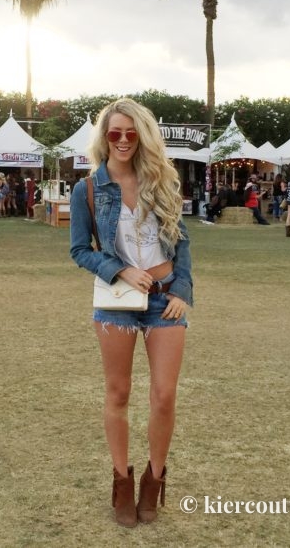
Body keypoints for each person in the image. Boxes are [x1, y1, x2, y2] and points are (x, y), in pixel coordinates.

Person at [70, 98, 192, 528]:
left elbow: (183, 242)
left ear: (143, 135)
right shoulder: (87, 188)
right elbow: (79, 250)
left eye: (130, 133)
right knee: (118, 393)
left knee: (164, 395)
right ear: (104, 138)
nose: (122, 140)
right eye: (114, 133)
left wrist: (183, 291)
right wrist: (120, 269)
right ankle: (121, 481)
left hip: (165, 300)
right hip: (116, 302)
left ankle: (154, 480)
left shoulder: (162, 181)